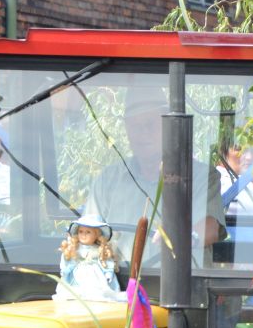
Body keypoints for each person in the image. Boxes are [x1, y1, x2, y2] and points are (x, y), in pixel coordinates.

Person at [81, 85, 225, 265]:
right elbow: (87, 234)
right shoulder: (107, 181)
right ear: (127, 130)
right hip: (119, 286)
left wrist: (183, 236)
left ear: (169, 127)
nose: (144, 133)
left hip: (183, 289)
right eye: (136, 126)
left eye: (151, 124)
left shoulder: (201, 176)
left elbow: (211, 227)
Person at [53, 213, 126, 303]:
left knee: (97, 292)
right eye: (81, 231)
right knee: (75, 292)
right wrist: (66, 270)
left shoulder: (100, 250)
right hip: (77, 276)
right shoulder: (74, 249)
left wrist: (108, 273)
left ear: (97, 235)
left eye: (88, 232)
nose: (84, 235)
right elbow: (68, 261)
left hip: (95, 276)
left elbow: (106, 262)